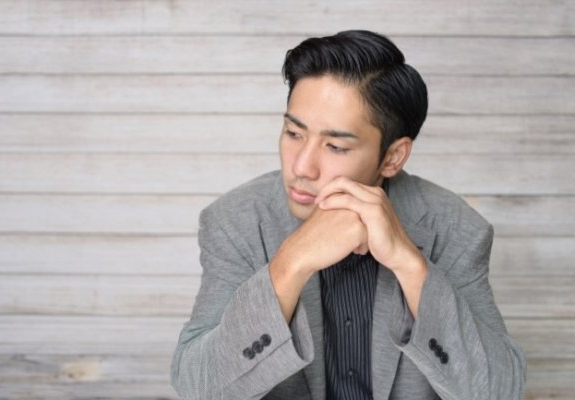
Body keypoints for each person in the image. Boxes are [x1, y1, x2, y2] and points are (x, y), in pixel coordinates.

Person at [171, 30, 526, 400]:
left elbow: (500, 392)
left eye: (335, 146)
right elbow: (198, 387)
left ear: (392, 157)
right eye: (293, 133)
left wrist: (410, 265)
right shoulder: (235, 222)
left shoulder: (456, 228)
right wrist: (288, 266)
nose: (302, 167)